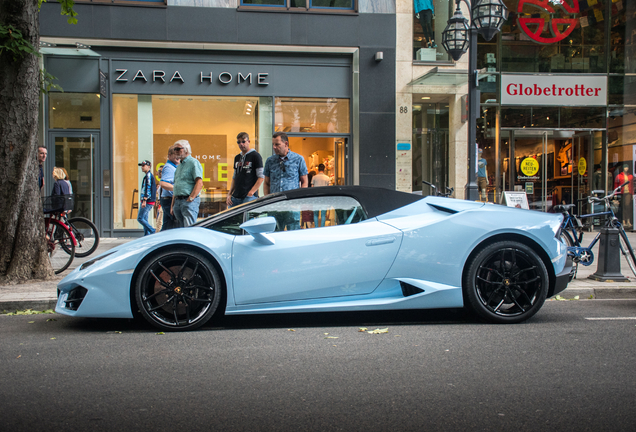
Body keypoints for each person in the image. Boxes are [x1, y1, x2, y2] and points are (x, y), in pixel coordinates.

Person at [226, 132, 264, 208]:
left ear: (248, 141)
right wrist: (229, 194)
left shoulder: (255, 156)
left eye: (243, 141)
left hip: (248, 197)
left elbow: (261, 177)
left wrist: (251, 193)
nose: (241, 144)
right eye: (238, 142)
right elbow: (234, 177)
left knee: (248, 219)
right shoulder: (237, 157)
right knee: (232, 219)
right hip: (235, 197)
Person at [171, 140, 203, 227]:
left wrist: (191, 198)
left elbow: (199, 183)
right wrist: (173, 204)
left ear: (186, 149)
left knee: (189, 229)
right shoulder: (179, 165)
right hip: (178, 201)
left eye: (178, 149)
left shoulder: (193, 162)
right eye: (175, 149)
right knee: (181, 229)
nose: (176, 151)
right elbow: (176, 185)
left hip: (188, 201)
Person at [159, 145, 181, 231]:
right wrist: (178, 189)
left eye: (179, 155)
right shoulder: (169, 167)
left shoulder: (174, 167)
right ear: (169, 155)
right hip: (169, 200)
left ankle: (159, 242)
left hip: (168, 200)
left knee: (167, 225)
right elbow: (163, 183)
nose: (178, 157)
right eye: (176, 154)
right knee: (174, 225)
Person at [137, 160, 156, 236]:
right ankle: (146, 236)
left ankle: (152, 230)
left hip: (148, 201)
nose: (142, 167)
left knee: (140, 218)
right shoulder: (148, 176)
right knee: (145, 219)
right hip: (148, 201)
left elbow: (148, 188)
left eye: (143, 165)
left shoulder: (148, 176)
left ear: (149, 166)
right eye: (141, 166)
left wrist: (144, 200)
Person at [614, 164, 633, 229]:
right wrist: (615, 194)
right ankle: (623, 221)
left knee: (627, 206)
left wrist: (632, 194)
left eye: (627, 167)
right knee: (623, 207)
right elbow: (616, 186)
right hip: (621, 193)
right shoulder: (619, 176)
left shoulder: (630, 176)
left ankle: (628, 221)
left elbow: (632, 186)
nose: (626, 168)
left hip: (628, 193)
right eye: (625, 167)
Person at [155, 166, 164, 233]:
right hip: (160, 204)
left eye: (160, 171)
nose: (158, 173)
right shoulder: (161, 182)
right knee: (158, 221)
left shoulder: (165, 181)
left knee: (159, 222)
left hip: (163, 205)